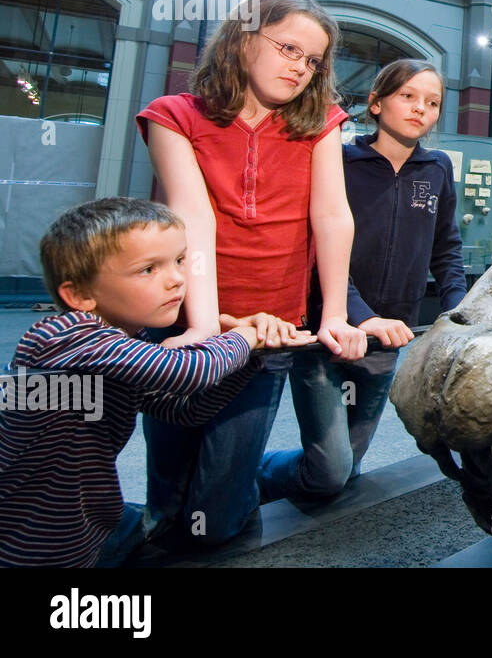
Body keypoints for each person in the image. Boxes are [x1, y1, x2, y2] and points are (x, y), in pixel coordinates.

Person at [135, 0, 367, 546]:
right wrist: (202, 324)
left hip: (268, 334)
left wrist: (333, 313)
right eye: (289, 49)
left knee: (215, 519)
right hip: (183, 322)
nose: (300, 68)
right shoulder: (175, 116)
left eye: (312, 61)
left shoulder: (320, 124)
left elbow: (332, 216)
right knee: (167, 500)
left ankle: (236, 499)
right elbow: (191, 217)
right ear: (243, 37)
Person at [0, 197, 311, 568]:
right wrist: (243, 338)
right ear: (79, 295)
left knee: (122, 530)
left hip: (86, 518)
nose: (178, 278)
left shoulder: (117, 351)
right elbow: (187, 372)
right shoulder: (63, 336)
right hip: (34, 531)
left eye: (179, 261)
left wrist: (254, 359)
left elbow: (184, 410)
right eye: (148, 269)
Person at [260, 59, 466, 501]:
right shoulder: (339, 160)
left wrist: (459, 310)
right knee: (331, 473)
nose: (420, 109)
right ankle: (252, 475)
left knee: (347, 469)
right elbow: (316, 247)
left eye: (432, 103)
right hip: (329, 332)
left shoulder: (437, 169)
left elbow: (446, 248)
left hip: (389, 336)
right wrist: (360, 314)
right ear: (375, 103)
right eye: (407, 96)